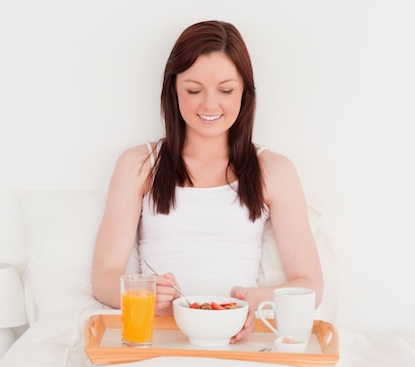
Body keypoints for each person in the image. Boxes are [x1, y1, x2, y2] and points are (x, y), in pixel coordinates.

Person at [91, 20, 323, 343]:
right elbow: (103, 278)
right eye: (194, 90)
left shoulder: (274, 171)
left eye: (226, 90)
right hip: (157, 336)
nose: (210, 105)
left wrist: (249, 302)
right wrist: (143, 293)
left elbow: (310, 283)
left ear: (245, 91)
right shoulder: (139, 165)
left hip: (234, 337)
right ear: (173, 89)